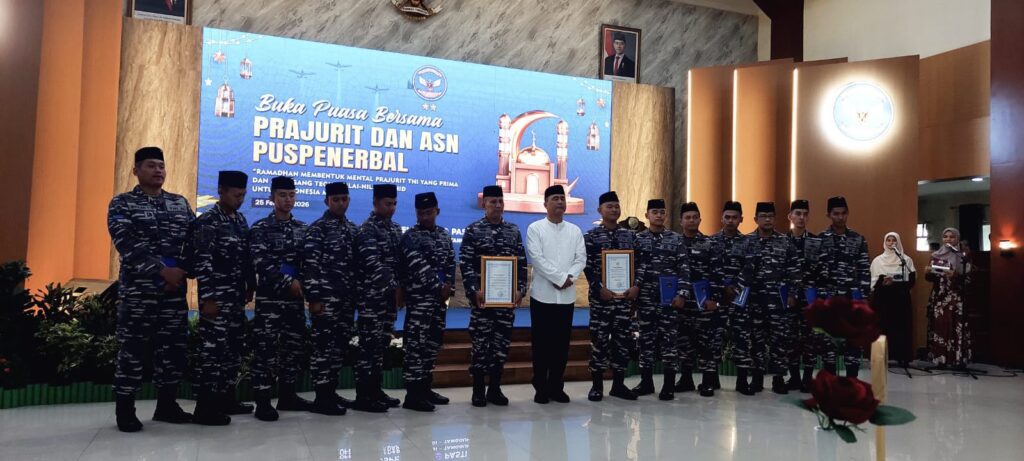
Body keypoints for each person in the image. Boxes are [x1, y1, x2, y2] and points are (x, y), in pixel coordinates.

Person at [107, 147, 195, 432]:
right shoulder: (122, 204)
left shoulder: (179, 204)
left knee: (172, 350)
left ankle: (166, 406)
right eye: (150, 166)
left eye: (161, 165)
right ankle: (125, 410)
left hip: (172, 294)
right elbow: (126, 243)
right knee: (132, 351)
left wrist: (183, 270)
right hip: (138, 294)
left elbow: (195, 240)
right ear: (136, 170)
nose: (158, 170)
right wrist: (161, 270)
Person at [190, 170, 256, 425]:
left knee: (231, 351)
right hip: (215, 299)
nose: (240, 199)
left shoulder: (240, 221)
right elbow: (203, 263)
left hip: (235, 299)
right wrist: (208, 298)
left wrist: (250, 285)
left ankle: (227, 399)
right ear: (221, 191)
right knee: (212, 353)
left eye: (243, 195)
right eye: (236, 194)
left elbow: (246, 257)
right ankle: (205, 408)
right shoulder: (207, 222)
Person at [249, 176, 314, 421]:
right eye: (283, 195)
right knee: (265, 350)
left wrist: (304, 283)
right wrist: (289, 282)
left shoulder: (302, 229)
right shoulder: (260, 229)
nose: (288, 200)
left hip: (295, 302)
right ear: (271, 198)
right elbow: (261, 263)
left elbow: (308, 263)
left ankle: (288, 395)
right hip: (270, 301)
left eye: (291, 195)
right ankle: (263, 400)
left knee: (292, 348)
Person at [460, 185, 528, 407]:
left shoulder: (513, 231)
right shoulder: (473, 230)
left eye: (500, 201)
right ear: (484, 204)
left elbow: (521, 263)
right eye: (492, 202)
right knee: (480, 346)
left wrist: (520, 289)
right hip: (482, 301)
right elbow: (466, 264)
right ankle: (478, 390)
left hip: (505, 302)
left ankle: (495, 389)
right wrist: (473, 290)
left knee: (501, 346)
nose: (497, 206)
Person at [302, 182, 358, 415]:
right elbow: (310, 267)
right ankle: (321, 397)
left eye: (344, 199)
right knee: (323, 348)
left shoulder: (353, 230)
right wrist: (314, 298)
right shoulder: (318, 229)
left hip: (346, 302)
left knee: (338, 348)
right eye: (336, 199)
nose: (341, 203)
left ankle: (331, 391)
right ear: (327, 201)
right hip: (325, 300)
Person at [527, 185, 587, 404]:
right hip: (543, 296)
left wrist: (569, 277)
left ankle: (557, 386)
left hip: (566, 296)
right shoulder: (535, 228)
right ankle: (540, 387)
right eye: (555, 198)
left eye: (562, 198)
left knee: (561, 345)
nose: (560, 202)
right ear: (545, 203)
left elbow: (581, 258)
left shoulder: (574, 230)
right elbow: (536, 258)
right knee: (541, 344)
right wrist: (560, 278)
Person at [398, 192, 456, 412]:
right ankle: (413, 395)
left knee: (432, 344)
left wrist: (448, 284)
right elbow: (418, 266)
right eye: (420, 213)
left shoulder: (443, 235)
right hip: (420, 301)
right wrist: (439, 288)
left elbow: (451, 262)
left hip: (439, 302)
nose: (424, 217)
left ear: (437, 211)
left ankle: (425, 389)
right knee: (416, 346)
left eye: (429, 212)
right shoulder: (410, 237)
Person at [737, 202, 800, 395]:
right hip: (754, 301)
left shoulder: (785, 242)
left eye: (771, 216)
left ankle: (778, 378)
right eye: (763, 216)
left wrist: (792, 294)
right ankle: (756, 377)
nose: (767, 219)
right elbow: (738, 270)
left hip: (778, 301)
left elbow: (794, 271)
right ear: (755, 219)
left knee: (779, 340)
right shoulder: (746, 242)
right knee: (756, 340)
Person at [582, 191, 639, 402]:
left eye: (616, 206)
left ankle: (618, 385)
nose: (614, 210)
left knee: (622, 341)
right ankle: (597, 386)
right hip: (601, 300)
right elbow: (586, 266)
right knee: (599, 341)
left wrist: (636, 286)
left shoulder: (630, 236)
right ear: (600, 210)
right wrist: (598, 288)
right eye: (609, 206)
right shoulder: (591, 236)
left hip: (624, 299)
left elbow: (639, 264)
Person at [352, 184, 405, 412]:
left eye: (394, 204)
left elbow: (399, 264)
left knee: (382, 345)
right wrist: (396, 288)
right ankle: (364, 395)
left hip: (388, 301)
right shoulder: (367, 230)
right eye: (387, 204)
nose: (391, 208)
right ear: (375, 203)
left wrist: (400, 287)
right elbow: (374, 265)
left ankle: (376, 390)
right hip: (371, 299)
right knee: (368, 347)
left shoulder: (395, 229)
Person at [631, 199, 686, 401]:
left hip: (669, 301)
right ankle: (646, 383)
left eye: (662, 212)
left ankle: (669, 385)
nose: (659, 215)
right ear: (646, 215)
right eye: (655, 212)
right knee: (645, 341)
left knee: (669, 342)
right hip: (645, 299)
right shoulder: (638, 239)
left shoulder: (676, 239)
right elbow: (632, 267)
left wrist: (682, 295)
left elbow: (684, 269)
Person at [818, 196, 871, 378]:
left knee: (853, 339)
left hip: (851, 298)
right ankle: (831, 378)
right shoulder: (821, 239)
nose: (840, 217)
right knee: (828, 341)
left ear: (847, 214)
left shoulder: (857, 239)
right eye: (836, 214)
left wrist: (864, 297)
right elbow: (815, 271)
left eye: (843, 214)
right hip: (829, 297)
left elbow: (864, 268)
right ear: (829, 215)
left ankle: (852, 379)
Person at [675, 202, 724, 397]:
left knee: (707, 343)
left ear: (700, 220)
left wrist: (715, 300)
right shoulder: (676, 244)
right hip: (683, 303)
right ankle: (686, 379)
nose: (692, 220)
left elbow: (718, 274)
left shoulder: (710, 244)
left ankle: (707, 381)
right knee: (684, 342)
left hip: (704, 303)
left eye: (695, 217)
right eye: (688, 217)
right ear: (681, 221)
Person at [786, 199, 831, 392]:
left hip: (810, 299)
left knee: (810, 340)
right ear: (790, 216)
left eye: (805, 214)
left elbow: (824, 272)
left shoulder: (816, 241)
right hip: (787, 298)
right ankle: (794, 377)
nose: (801, 217)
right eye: (798, 213)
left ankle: (807, 378)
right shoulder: (782, 240)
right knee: (789, 338)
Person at [712, 201, 749, 393]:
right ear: (721, 218)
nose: (730, 221)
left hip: (740, 298)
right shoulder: (711, 241)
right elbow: (709, 268)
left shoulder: (748, 242)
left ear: (741, 219)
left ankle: (742, 381)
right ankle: (712, 379)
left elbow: (750, 268)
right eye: (727, 217)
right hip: (718, 298)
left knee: (741, 337)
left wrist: (735, 287)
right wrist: (722, 287)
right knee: (714, 337)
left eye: (734, 217)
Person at [926, 228, 971, 367]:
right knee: (940, 326)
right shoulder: (936, 255)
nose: (948, 239)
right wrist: (928, 272)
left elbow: (968, 280)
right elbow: (929, 278)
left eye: (952, 237)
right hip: (939, 296)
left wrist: (955, 275)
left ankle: (956, 359)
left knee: (955, 326)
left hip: (956, 296)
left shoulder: (963, 256)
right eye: (945, 237)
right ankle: (940, 359)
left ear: (957, 239)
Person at [870, 232, 917, 365]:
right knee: (882, 327)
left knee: (900, 328)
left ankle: (901, 356)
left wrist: (895, 283)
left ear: (898, 242)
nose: (891, 243)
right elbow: (873, 282)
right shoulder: (878, 261)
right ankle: (880, 356)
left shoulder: (906, 260)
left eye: (894, 241)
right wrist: (882, 281)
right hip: (882, 300)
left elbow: (911, 281)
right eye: (888, 240)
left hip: (900, 300)